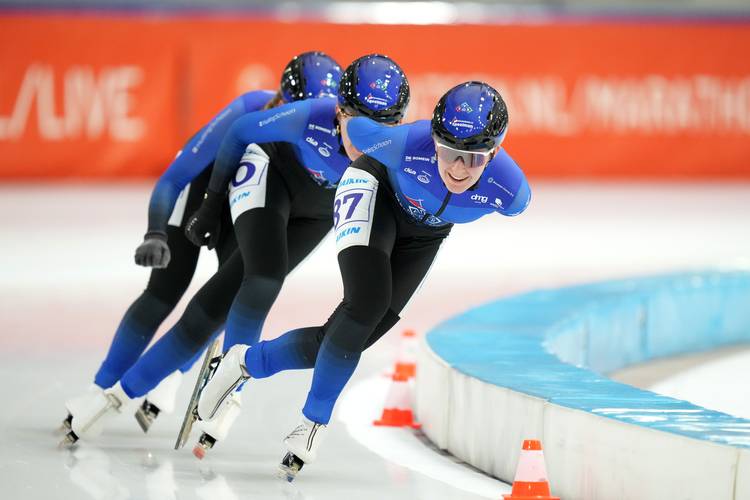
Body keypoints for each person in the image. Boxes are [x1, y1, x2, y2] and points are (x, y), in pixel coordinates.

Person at [61, 55, 412, 455]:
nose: (365, 137)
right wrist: (170, 223)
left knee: (239, 292)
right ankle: (105, 387)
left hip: (303, 210)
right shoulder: (279, 112)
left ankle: (197, 376)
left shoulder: (390, 146)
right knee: (167, 291)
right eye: (282, 106)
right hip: (224, 185)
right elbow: (182, 172)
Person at [195, 81, 531, 480]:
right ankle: (313, 425)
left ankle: (244, 363)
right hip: (375, 191)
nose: (457, 169)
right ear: (434, 141)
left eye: (472, 160)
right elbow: (355, 131)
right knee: (365, 305)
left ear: (494, 153)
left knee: (348, 337)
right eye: (448, 152)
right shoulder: (406, 143)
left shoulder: (512, 193)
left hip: (425, 236)